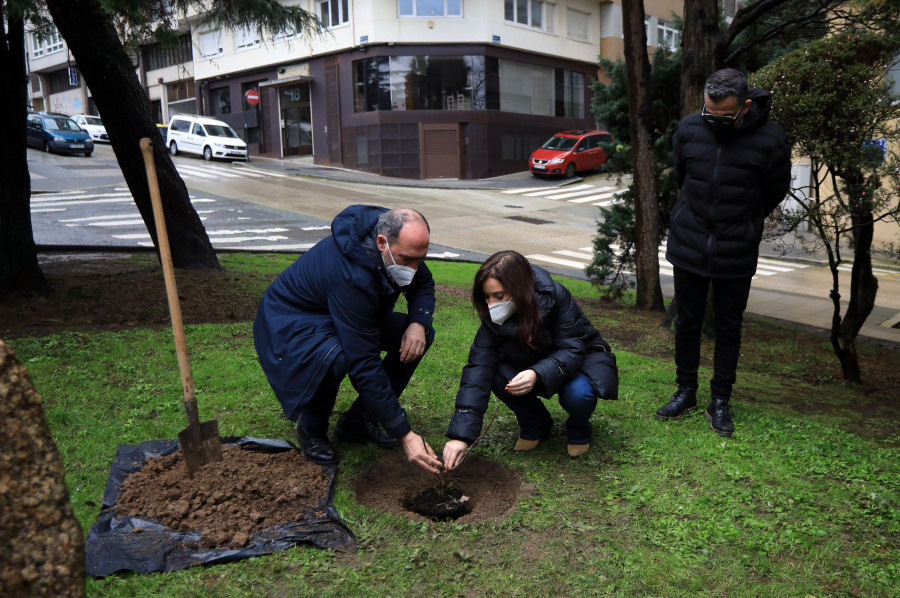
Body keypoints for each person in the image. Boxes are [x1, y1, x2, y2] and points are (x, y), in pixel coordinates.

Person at [253, 205, 443, 473]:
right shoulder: (351, 276)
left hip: (338, 311)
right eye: (407, 260)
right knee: (336, 358)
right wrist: (405, 434)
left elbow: (422, 283)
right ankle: (312, 429)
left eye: (419, 259)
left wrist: (418, 323)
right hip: (291, 321)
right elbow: (363, 363)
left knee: (419, 336)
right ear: (381, 243)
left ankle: (358, 422)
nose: (413, 268)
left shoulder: (396, 246)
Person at [655, 68, 791, 436]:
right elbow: (683, 179)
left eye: (723, 115)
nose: (713, 121)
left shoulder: (772, 139)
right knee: (687, 322)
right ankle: (686, 392)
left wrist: (742, 220)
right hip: (689, 242)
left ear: (745, 106)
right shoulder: (688, 129)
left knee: (729, 327)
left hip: (736, 246)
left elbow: (774, 191)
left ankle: (720, 401)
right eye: (708, 113)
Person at [442, 251, 618, 469]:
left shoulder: (557, 295)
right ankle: (535, 422)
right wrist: (462, 436)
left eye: (499, 296)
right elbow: (478, 366)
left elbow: (572, 349)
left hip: (577, 361)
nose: (491, 304)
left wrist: (537, 373)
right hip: (529, 360)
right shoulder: (492, 316)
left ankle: (579, 426)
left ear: (520, 288)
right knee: (492, 371)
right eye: (487, 297)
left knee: (578, 394)